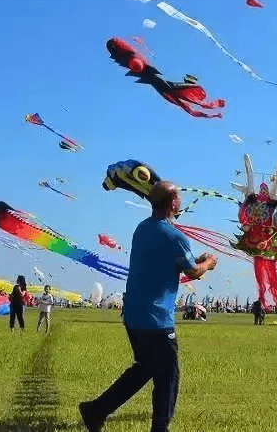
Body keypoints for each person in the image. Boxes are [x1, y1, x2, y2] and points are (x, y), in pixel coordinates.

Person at [79, 181, 217, 432]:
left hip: (133, 314)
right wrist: (208, 262)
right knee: (168, 377)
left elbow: (166, 261)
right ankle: (159, 429)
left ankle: (95, 410)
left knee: (145, 368)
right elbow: (193, 271)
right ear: (173, 202)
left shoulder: (141, 229)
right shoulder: (176, 236)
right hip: (156, 319)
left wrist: (192, 261)